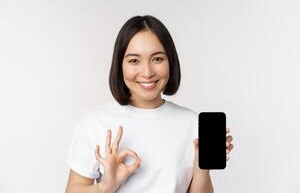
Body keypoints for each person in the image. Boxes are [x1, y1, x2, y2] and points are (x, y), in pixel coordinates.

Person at [65, 15, 234, 193]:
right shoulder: (96, 122)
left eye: (157, 59)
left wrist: (201, 168)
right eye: (134, 61)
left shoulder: (192, 123)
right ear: (120, 64)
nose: (147, 72)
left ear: (170, 62)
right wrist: (105, 186)